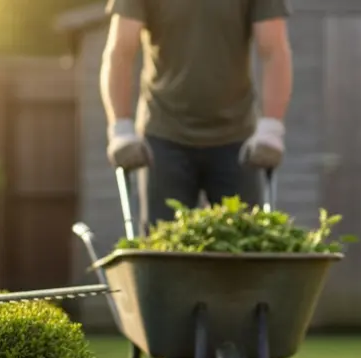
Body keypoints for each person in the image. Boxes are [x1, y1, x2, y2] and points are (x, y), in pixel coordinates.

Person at [100, 0, 292, 226]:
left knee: (245, 238)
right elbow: (121, 51)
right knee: (163, 240)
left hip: (236, 139)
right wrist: (120, 127)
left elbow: (273, 50)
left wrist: (271, 126)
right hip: (165, 136)